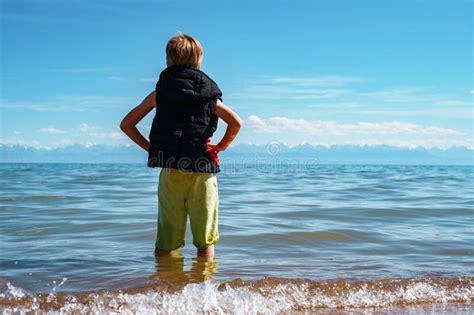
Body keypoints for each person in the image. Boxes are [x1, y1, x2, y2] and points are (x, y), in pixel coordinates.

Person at [120, 32, 242, 258]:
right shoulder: (209, 96)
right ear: (198, 61)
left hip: (172, 171)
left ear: (169, 60)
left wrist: (152, 149)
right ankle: (204, 290)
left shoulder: (159, 94)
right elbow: (236, 123)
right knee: (205, 241)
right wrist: (220, 147)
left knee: (166, 241)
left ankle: (166, 288)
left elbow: (127, 125)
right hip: (203, 172)